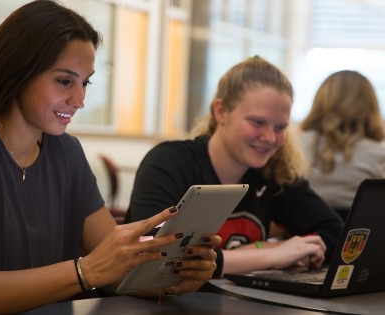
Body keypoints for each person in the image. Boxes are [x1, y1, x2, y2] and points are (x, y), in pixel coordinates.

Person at [0, 1, 221, 314]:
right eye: (65, 81)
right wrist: (85, 272)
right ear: (17, 72)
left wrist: (171, 278)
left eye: (86, 83)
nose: (80, 100)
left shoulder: (66, 153)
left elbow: (114, 269)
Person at [124, 57, 344, 278]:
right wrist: (271, 254)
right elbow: (155, 257)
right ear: (221, 112)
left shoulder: (274, 172)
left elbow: (337, 234)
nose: (269, 137)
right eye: (257, 122)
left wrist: (280, 252)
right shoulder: (168, 162)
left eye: (280, 127)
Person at [297, 70, 385, 209]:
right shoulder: (379, 154)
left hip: (300, 229)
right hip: (362, 230)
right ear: (371, 106)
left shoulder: (295, 145)